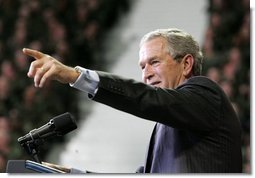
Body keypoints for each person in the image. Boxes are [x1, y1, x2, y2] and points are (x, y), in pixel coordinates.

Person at [22, 28, 242, 173]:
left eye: (154, 62)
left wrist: (75, 76)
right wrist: (71, 174)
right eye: (142, 67)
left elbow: (148, 98)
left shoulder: (206, 94)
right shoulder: (166, 124)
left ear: (186, 64)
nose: (146, 74)